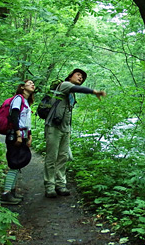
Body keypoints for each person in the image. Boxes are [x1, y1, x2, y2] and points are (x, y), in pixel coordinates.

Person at [43, 68, 106, 198]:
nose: (80, 78)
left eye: (82, 77)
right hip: (53, 127)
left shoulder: (71, 94)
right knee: (52, 157)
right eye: (78, 75)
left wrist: (69, 130)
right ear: (70, 75)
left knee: (63, 157)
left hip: (65, 129)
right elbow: (79, 89)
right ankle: (49, 186)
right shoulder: (65, 85)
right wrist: (94, 91)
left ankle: (60, 184)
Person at [0, 79, 35, 205]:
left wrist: (29, 136)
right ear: (22, 87)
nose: (32, 85)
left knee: (17, 164)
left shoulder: (25, 102)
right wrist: (18, 134)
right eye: (29, 83)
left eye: (33, 84)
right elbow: (14, 116)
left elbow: (25, 121)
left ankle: (12, 192)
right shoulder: (18, 99)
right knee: (14, 164)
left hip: (22, 135)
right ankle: (6, 193)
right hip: (16, 135)